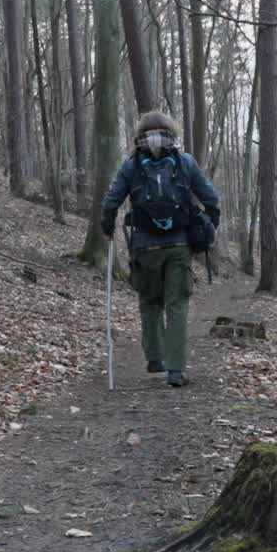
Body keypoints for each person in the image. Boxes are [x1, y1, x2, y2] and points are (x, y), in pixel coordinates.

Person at [101, 111, 220, 388]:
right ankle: (175, 370)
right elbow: (211, 198)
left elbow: (111, 201)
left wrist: (107, 227)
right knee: (176, 305)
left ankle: (155, 357)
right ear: (172, 132)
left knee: (149, 301)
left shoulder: (131, 165)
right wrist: (210, 225)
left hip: (144, 246)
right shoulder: (185, 162)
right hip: (178, 245)